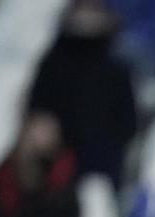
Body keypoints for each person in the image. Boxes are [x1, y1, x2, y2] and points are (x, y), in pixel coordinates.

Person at [27, 0, 137, 184]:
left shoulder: (117, 67)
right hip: (55, 168)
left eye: (93, 12)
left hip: (102, 169)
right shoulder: (52, 63)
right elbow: (37, 110)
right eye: (83, 11)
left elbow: (128, 121)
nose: (87, 19)